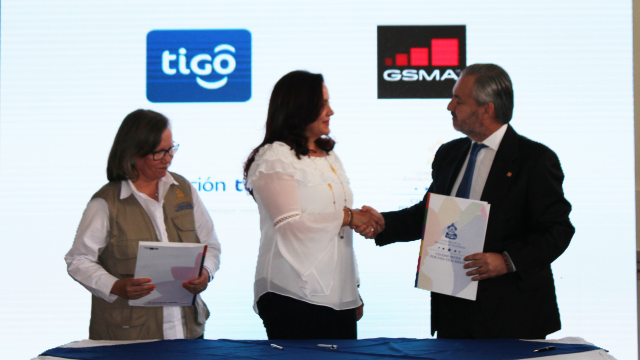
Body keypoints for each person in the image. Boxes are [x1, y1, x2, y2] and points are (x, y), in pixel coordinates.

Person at [355, 64, 574, 339]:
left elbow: (557, 230)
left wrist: (506, 261)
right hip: (454, 312)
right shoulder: (449, 154)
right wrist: (383, 222)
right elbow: (431, 215)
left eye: (458, 100)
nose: (449, 106)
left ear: (487, 109)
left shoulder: (535, 160)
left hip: (513, 315)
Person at [243, 70, 383, 340]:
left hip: (337, 294)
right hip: (291, 292)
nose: (331, 111)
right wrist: (349, 217)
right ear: (299, 107)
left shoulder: (329, 155)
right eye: (323, 104)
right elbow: (289, 226)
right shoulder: (275, 157)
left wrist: (352, 287)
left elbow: (338, 229)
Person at [65, 109, 221, 340]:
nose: (168, 158)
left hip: (187, 330)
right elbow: (78, 260)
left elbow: (211, 245)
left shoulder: (183, 190)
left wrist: (206, 272)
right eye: (159, 153)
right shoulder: (106, 202)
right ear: (133, 154)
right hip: (130, 336)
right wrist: (115, 286)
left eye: (171, 149)